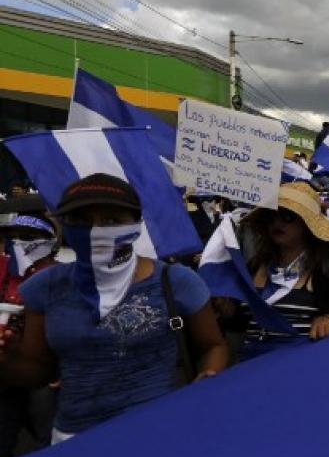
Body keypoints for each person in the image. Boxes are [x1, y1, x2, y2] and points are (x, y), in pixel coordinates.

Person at [0, 174, 228, 443]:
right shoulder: (45, 288)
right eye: (81, 221)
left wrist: (209, 378)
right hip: (76, 439)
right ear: (63, 225)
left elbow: (213, 346)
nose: (95, 230)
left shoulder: (177, 282)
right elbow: (38, 373)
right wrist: (9, 359)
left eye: (111, 221)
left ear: (136, 224)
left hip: (159, 432)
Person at [237, 182, 329, 359]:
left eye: (288, 216)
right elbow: (238, 323)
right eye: (271, 216)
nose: (277, 222)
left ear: (307, 223)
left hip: (301, 368)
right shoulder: (256, 263)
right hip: (250, 367)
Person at [0, 196, 59, 457]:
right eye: (13, 237)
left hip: (47, 371)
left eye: (26, 236)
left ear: (48, 242)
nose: (17, 244)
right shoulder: (4, 270)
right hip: (6, 367)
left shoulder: (62, 276)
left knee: (48, 441)